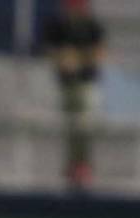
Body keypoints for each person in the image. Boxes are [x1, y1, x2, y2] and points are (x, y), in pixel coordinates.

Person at [43, 0, 106, 190]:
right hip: (66, 84)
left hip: (87, 83)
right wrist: (64, 58)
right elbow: (51, 51)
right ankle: (73, 166)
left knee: (84, 123)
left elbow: (99, 53)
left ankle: (83, 166)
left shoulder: (92, 26)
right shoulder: (58, 26)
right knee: (71, 126)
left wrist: (79, 59)